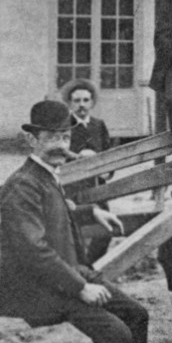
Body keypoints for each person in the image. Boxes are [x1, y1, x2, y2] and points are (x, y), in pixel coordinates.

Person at [0, 100, 151, 343]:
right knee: (116, 336)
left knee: (137, 316)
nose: (60, 145)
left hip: (68, 273)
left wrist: (90, 212)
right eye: (51, 137)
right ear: (31, 140)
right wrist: (81, 287)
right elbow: (33, 251)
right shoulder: (22, 185)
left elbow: (54, 218)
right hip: (46, 286)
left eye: (65, 136)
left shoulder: (47, 177)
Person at [61, 77, 115, 265]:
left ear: (92, 102)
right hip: (72, 189)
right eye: (76, 101)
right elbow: (57, 158)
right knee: (73, 231)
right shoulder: (63, 127)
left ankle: (90, 266)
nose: (81, 105)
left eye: (85, 100)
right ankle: (76, 268)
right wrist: (78, 157)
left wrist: (105, 171)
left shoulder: (98, 125)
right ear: (69, 103)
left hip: (98, 187)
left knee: (106, 230)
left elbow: (109, 156)